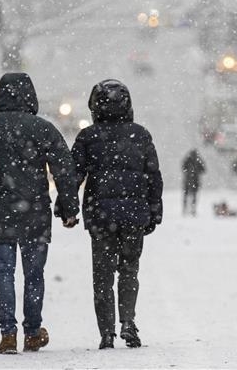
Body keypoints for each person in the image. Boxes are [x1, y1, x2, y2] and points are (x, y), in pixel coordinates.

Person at [0, 72, 79, 355]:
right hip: (34, 208)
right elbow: (64, 169)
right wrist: (69, 209)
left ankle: (8, 334)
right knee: (34, 273)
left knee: (4, 271)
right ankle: (33, 332)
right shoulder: (43, 129)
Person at [71, 79, 163, 350]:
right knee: (129, 270)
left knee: (102, 275)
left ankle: (106, 331)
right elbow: (153, 177)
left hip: (101, 216)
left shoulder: (87, 137)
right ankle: (128, 321)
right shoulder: (141, 135)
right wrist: (154, 210)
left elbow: (74, 175)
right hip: (134, 215)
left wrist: (66, 206)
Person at [181, 149, 206, 215]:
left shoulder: (189, 160)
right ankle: (191, 209)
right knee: (192, 196)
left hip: (190, 180)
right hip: (193, 180)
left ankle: (188, 209)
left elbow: (183, 168)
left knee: (187, 195)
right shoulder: (196, 160)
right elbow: (204, 170)